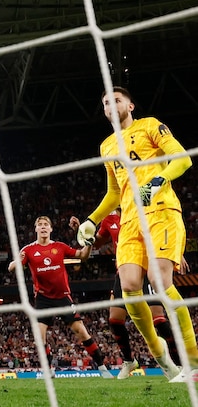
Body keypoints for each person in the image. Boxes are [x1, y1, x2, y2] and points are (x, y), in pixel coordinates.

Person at [76, 86, 196, 381]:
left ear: (130, 106)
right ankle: (164, 361)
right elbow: (114, 192)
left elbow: (182, 159)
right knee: (130, 288)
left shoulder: (150, 126)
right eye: (105, 102)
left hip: (160, 211)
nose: (110, 105)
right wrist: (92, 219)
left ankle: (193, 360)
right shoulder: (106, 147)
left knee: (159, 281)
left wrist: (157, 180)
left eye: (116, 100)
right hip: (129, 221)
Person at [70, 208, 184, 379]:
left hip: (148, 267)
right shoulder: (109, 218)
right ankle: (129, 361)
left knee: (159, 320)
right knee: (115, 320)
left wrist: (176, 251)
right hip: (124, 271)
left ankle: (181, 364)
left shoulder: (145, 208)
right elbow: (99, 242)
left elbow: (166, 227)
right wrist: (82, 232)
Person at [9, 216, 114, 378]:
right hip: (43, 299)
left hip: (63, 297)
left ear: (51, 229)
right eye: (40, 225)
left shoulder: (59, 247)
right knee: (40, 334)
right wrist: (17, 263)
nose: (43, 227)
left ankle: (102, 368)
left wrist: (89, 243)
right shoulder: (28, 250)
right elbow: (11, 268)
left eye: (46, 225)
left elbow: (82, 256)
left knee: (81, 332)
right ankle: (48, 369)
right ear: (36, 229)